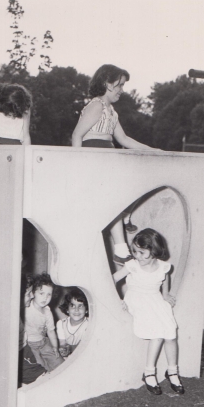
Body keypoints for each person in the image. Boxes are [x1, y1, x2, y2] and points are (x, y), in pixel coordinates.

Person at [71, 64, 154, 263]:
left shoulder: (111, 111)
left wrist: (153, 150)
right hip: (95, 157)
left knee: (137, 183)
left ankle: (125, 215)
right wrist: (76, 165)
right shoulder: (96, 106)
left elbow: (124, 140)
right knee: (113, 197)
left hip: (109, 157)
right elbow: (77, 135)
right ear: (107, 84)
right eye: (119, 85)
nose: (122, 90)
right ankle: (120, 248)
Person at [113, 228, 185, 396]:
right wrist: (118, 299)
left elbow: (164, 277)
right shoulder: (132, 266)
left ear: (154, 251)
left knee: (171, 334)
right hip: (137, 300)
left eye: (142, 252)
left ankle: (172, 371)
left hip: (155, 299)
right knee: (157, 334)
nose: (137, 256)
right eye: (135, 251)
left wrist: (166, 294)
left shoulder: (162, 266)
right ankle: (149, 372)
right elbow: (113, 279)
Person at [24, 272, 64, 372]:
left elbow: (51, 331)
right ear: (33, 293)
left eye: (49, 295)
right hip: (29, 345)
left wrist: (55, 346)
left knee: (59, 363)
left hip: (43, 342)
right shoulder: (27, 307)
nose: (45, 298)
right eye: (41, 293)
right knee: (40, 366)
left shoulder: (47, 311)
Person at [56, 288, 89, 357]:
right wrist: (63, 350)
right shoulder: (61, 324)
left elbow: (82, 348)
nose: (76, 310)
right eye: (72, 305)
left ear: (87, 310)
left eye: (80, 306)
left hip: (83, 355)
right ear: (67, 309)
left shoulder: (89, 325)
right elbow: (62, 344)